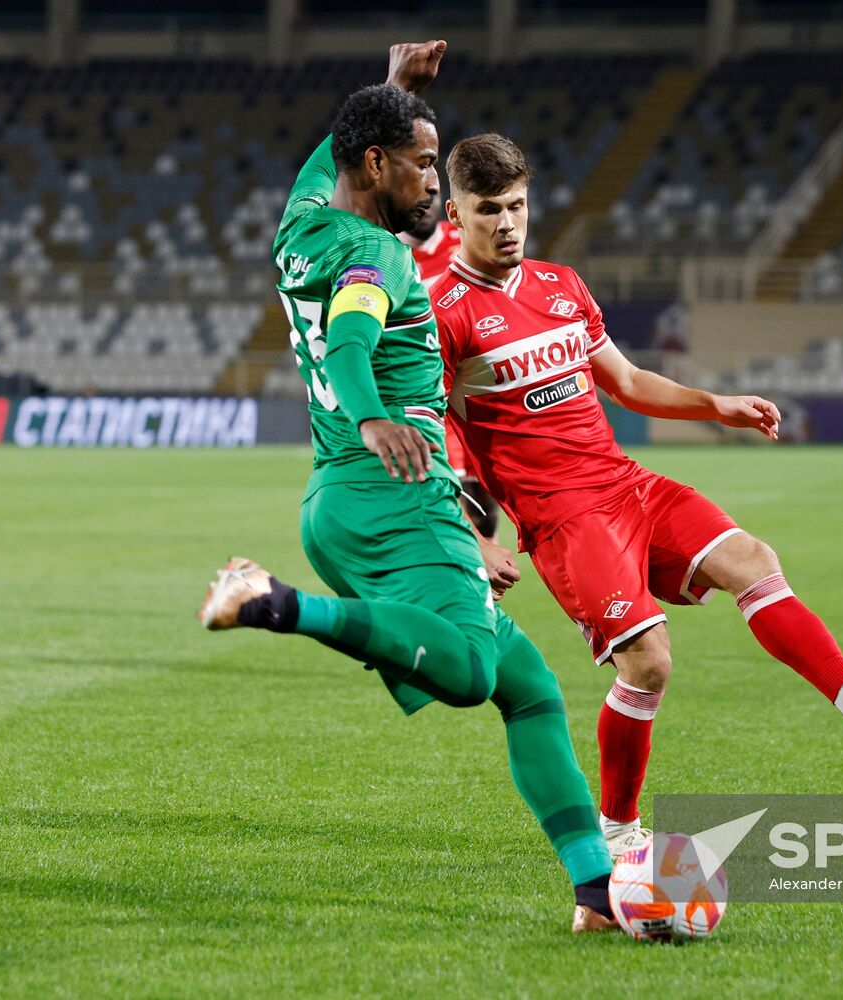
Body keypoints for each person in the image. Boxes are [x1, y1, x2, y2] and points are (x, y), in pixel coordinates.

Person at [429, 133, 843, 857]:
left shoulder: (561, 285)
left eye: (518, 205)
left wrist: (719, 405)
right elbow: (430, 437)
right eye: (490, 210)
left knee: (753, 559)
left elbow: (631, 382)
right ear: (455, 213)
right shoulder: (439, 315)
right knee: (649, 662)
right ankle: (617, 836)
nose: (509, 223)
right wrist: (473, 536)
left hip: (626, 485)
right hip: (565, 520)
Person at [202, 43, 616, 933]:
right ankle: (273, 602)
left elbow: (333, 156)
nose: (436, 181)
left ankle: (595, 893)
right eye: (425, 164)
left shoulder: (302, 222)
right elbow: (353, 340)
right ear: (377, 167)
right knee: (470, 672)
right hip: (394, 483)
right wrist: (375, 416)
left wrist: (395, 92)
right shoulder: (374, 257)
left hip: (338, 501)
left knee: (528, 684)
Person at [399, 178, 499, 538]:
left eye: (433, 195)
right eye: (416, 195)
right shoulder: (388, 257)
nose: (426, 203)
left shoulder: (466, 242)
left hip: (479, 387)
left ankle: (488, 592)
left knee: (487, 504)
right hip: (429, 394)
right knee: (453, 502)